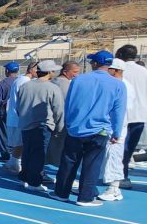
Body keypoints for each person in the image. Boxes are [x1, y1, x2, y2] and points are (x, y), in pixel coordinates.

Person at [52, 51, 126, 206]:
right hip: (100, 130)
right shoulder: (118, 84)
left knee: (69, 161)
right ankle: (86, 197)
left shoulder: (78, 80)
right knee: (92, 164)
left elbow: (69, 104)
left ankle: (61, 192)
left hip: (76, 128)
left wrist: (68, 123)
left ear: (94, 64)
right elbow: (118, 111)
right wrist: (117, 132)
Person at [15, 60, 65, 192]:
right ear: (49, 72)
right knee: (39, 155)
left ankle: (25, 177)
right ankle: (34, 182)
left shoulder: (25, 86)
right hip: (42, 125)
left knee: (27, 152)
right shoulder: (52, 88)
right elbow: (58, 109)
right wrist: (59, 127)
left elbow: (18, 105)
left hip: (26, 124)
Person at [99, 59, 137, 201]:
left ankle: (114, 189)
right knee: (108, 156)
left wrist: (116, 130)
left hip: (117, 126)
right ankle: (111, 185)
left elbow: (121, 110)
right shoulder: (121, 85)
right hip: (112, 125)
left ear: (115, 70)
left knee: (114, 156)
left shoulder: (123, 86)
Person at [115, 45, 146, 189]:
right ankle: (122, 176)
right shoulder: (144, 72)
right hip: (139, 116)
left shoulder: (119, 71)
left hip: (122, 115)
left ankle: (117, 176)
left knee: (117, 147)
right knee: (128, 150)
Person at [4, 62, 38, 174]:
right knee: (21, 143)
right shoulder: (25, 82)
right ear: (32, 70)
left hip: (15, 117)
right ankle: (14, 164)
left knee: (18, 143)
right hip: (19, 118)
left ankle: (12, 162)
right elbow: (23, 101)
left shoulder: (20, 80)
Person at [47, 61, 80, 167]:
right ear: (65, 72)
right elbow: (64, 106)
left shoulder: (52, 82)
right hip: (61, 122)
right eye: (74, 72)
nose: (76, 75)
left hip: (49, 121)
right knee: (63, 151)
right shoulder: (66, 85)